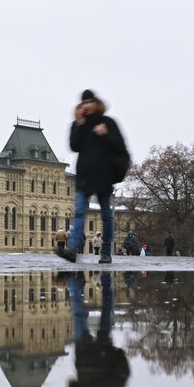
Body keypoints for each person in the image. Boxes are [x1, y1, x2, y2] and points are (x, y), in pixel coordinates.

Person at [57, 89, 127, 264]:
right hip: (84, 177)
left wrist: (105, 134)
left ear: (96, 104)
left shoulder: (108, 123)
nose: (86, 105)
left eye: (89, 102)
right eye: (84, 103)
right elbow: (74, 146)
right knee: (79, 213)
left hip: (104, 176)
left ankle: (105, 252)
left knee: (106, 216)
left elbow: (120, 146)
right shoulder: (79, 124)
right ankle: (72, 249)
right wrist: (79, 124)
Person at [64, 272, 130, 387]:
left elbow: (72, 384)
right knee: (106, 312)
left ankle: (74, 282)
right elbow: (119, 381)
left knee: (79, 315)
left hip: (84, 357)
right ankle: (107, 281)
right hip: (103, 354)